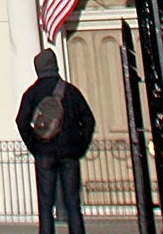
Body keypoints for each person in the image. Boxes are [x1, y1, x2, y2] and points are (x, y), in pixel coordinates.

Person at [16, 48, 95, 234]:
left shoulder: (32, 93)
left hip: (44, 153)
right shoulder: (71, 92)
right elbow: (89, 120)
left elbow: (21, 121)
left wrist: (34, 145)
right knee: (73, 204)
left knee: (45, 205)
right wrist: (80, 147)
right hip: (69, 154)